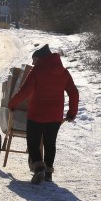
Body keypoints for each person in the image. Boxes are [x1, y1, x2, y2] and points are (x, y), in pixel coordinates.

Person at [9, 44, 79, 184]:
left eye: (34, 60)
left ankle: (39, 167)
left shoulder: (37, 71)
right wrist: (71, 113)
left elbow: (25, 91)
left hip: (36, 114)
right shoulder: (64, 72)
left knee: (33, 142)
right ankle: (48, 173)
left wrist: (12, 104)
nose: (33, 63)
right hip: (55, 116)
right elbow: (74, 93)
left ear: (40, 58)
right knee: (50, 143)